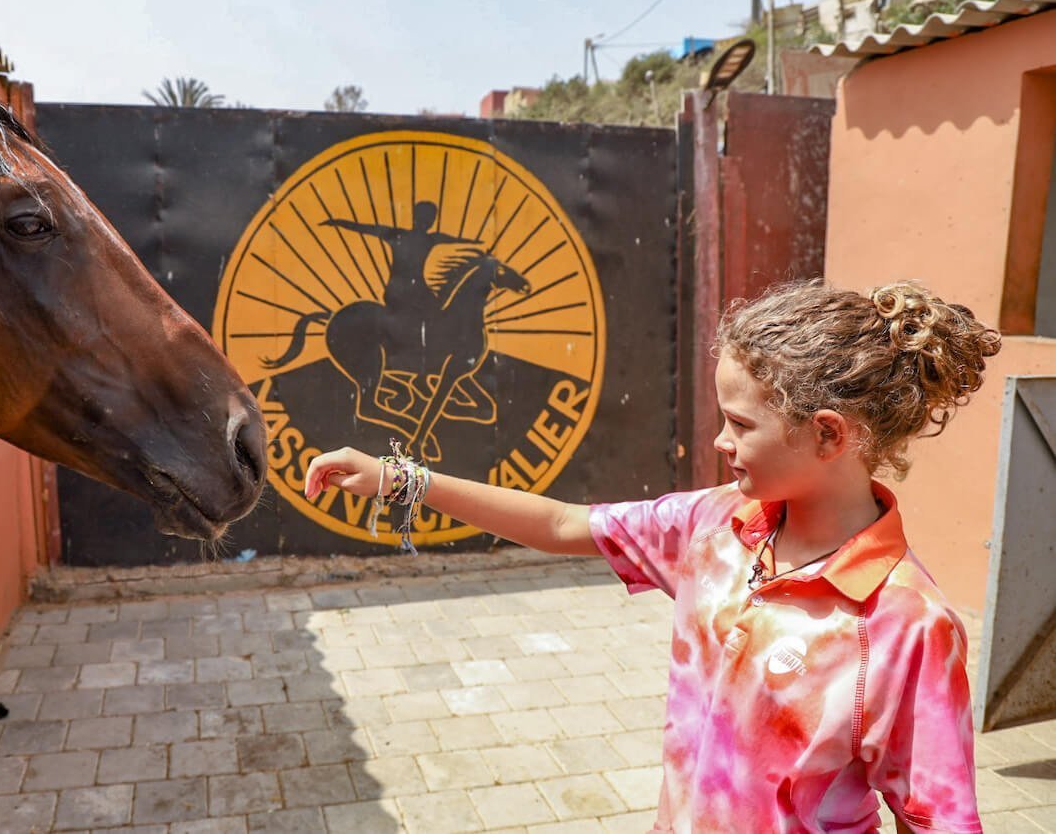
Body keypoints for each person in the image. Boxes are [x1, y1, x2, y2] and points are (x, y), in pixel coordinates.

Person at [303, 279, 1001, 833]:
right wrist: (403, 479)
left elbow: (934, 817)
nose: (721, 442)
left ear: (826, 435)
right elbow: (563, 522)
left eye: (739, 424)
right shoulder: (712, 528)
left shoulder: (905, 624)